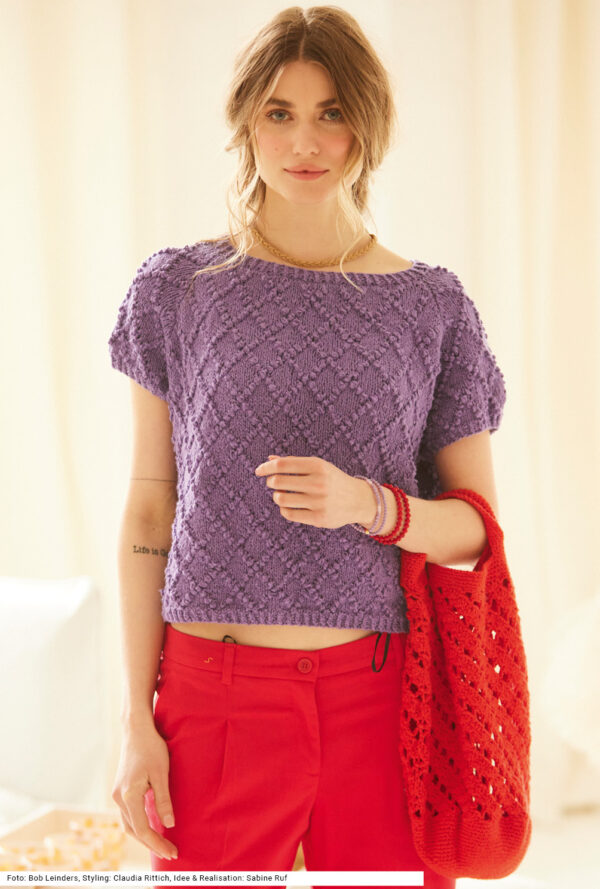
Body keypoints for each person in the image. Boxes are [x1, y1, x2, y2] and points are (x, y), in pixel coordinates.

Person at [108, 7, 506, 888]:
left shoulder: (432, 307)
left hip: (381, 699)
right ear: (245, 122)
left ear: (368, 125)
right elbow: (148, 510)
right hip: (212, 695)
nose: (305, 141)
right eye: (279, 112)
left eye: (332, 113)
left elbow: (476, 529)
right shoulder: (176, 290)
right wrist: (135, 716)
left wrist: (371, 505)